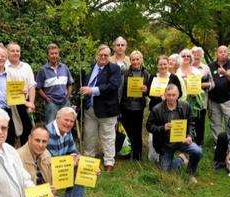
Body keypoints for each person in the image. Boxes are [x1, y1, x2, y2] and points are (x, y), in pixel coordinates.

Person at [17, 125, 79, 197]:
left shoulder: (46, 153)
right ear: (29, 138)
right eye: (37, 140)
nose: (41, 145)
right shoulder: (17, 157)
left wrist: (72, 166)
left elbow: (56, 177)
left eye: (44, 141)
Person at [146, 84, 203, 183]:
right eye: (169, 95)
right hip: (165, 145)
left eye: (173, 95)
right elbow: (149, 126)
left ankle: (190, 173)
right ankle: (181, 159)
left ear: (178, 95)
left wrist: (189, 136)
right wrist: (162, 128)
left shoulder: (185, 106)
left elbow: (191, 123)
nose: (171, 97)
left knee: (197, 151)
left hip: (182, 141)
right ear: (164, 95)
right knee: (165, 173)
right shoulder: (157, 109)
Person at [80, 44, 121, 172]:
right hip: (90, 109)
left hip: (107, 110)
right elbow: (83, 85)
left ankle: (109, 161)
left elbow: (113, 86)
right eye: (101, 54)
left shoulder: (114, 69)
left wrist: (91, 90)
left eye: (106, 55)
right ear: (97, 55)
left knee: (108, 137)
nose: (103, 57)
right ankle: (89, 159)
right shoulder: (89, 68)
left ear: (110, 56)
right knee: (89, 135)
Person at [147, 55, 183, 162]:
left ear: (168, 64)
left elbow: (179, 93)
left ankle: (164, 157)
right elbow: (149, 92)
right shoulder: (153, 77)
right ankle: (152, 158)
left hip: (169, 110)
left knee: (165, 135)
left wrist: (169, 98)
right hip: (155, 109)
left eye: (165, 64)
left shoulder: (173, 77)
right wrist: (159, 97)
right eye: (160, 64)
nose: (163, 66)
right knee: (152, 135)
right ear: (157, 65)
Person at [46, 107, 86, 197]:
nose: (68, 123)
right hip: (46, 170)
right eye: (66, 120)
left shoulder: (67, 131)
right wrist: (71, 161)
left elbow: (73, 151)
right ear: (57, 118)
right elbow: (52, 161)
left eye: (71, 121)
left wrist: (77, 158)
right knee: (76, 164)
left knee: (81, 163)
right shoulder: (49, 133)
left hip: (59, 166)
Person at [176, 48, 213, 146]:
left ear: (191, 58)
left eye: (188, 56)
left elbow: (201, 86)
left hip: (196, 101)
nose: (186, 58)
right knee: (184, 122)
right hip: (182, 100)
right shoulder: (178, 71)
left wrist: (195, 90)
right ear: (180, 57)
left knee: (197, 122)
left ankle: (197, 143)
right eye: (184, 56)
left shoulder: (197, 71)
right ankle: (183, 143)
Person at [120, 50, 150, 161]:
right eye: (133, 59)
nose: (135, 61)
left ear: (141, 60)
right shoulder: (125, 73)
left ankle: (137, 156)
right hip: (126, 106)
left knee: (137, 132)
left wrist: (146, 90)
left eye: (138, 59)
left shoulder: (146, 74)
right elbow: (121, 90)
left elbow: (150, 91)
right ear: (130, 60)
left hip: (139, 107)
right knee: (127, 131)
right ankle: (126, 154)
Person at [208, 45, 230, 143]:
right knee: (215, 124)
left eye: (225, 52)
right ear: (216, 54)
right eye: (220, 52)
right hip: (213, 101)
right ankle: (218, 144)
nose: (223, 53)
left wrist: (226, 73)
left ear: (228, 53)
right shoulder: (210, 66)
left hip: (228, 100)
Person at [36, 43, 74, 123]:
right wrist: (46, 99)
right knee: (51, 125)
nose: (54, 56)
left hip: (65, 102)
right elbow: (38, 88)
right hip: (51, 103)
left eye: (56, 53)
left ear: (58, 54)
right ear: (48, 55)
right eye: (52, 53)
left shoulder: (64, 67)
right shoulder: (43, 70)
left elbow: (70, 83)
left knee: (66, 124)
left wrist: (68, 96)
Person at [6, 42, 35, 145]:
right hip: (9, 105)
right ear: (7, 52)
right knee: (10, 134)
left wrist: (31, 104)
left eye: (17, 51)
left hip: (25, 105)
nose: (15, 53)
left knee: (27, 133)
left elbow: (31, 86)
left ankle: (25, 159)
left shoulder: (26, 66)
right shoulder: (3, 67)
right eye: (12, 51)